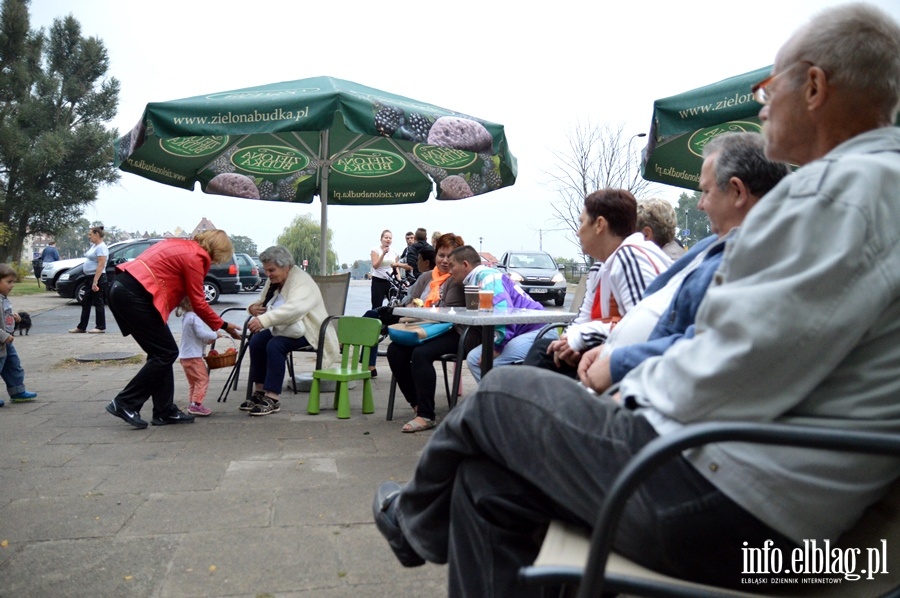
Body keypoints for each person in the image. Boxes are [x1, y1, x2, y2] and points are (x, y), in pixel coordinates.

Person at [372, 4, 900, 594]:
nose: (761, 102)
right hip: (769, 502)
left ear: (815, 86)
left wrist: (622, 389)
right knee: (484, 486)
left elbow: (739, 366)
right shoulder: (866, 191)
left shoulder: (843, 196)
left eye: (768, 85)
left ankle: (411, 525)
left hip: (741, 514)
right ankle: (417, 523)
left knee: (501, 394)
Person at [584, 132, 790, 389]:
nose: (700, 205)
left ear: (737, 191)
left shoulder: (756, 259)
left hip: (639, 395)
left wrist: (619, 364)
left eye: (705, 191)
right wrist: (610, 347)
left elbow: (709, 347)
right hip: (625, 377)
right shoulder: (710, 245)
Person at [523, 189, 671, 377]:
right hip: (608, 352)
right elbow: (583, 319)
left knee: (542, 354)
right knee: (548, 351)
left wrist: (579, 338)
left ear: (600, 224)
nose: (578, 232)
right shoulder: (602, 267)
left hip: (638, 369)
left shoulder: (630, 256)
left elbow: (644, 327)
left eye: (582, 222)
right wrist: (568, 341)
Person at [105, 230, 241, 429]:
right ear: (218, 250)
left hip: (122, 288)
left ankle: (164, 411)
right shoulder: (197, 257)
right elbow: (199, 303)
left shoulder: (180, 244)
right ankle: (126, 402)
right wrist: (225, 326)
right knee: (165, 353)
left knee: (161, 353)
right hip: (135, 296)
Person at [240, 245, 339, 416]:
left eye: (272, 270)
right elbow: (262, 301)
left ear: (286, 267)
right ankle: (260, 390)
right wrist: (253, 308)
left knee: (275, 345)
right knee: (257, 342)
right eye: (266, 270)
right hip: (286, 328)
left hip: (311, 331)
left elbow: (295, 309)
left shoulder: (302, 281)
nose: (268, 274)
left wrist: (264, 320)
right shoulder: (276, 280)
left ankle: (273, 397)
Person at [386, 233, 465, 433]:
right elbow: (407, 300)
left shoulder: (459, 279)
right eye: (441, 255)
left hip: (454, 331)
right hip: (423, 328)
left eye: (450, 256)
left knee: (420, 354)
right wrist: (411, 304)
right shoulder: (426, 277)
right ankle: (417, 405)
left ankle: (426, 416)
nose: (445, 261)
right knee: (395, 351)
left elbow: (453, 312)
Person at [446, 245, 546, 381]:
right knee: (474, 358)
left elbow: (504, 313)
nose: (450, 271)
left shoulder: (488, 278)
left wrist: (496, 346)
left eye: (452, 266)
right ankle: (493, 399)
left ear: (465, 265)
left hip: (538, 330)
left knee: (491, 365)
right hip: (521, 331)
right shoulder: (479, 278)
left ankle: (503, 400)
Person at [363, 247, 437, 378]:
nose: (416, 263)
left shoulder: (427, 276)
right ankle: (369, 364)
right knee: (372, 319)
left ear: (426, 262)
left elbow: (411, 297)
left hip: (412, 317)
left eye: (419, 260)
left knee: (372, 318)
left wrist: (403, 304)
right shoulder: (432, 277)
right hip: (415, 314)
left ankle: (361, 355)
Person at [176, 297, 222, 417]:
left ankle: (193, 402)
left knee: (193, 382)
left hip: (185, 356)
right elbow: (201, 333)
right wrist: (215, 334)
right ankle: (196, 404)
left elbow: (193, 337)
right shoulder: (194, 317)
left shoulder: (187, 317)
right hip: (193, 356)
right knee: (202, 379)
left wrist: (206, 341)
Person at [0, 264, 37, 407]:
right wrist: (4, 336)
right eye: (8, 282)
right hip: (3, 340)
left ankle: (17, 390)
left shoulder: (3, 298)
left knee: (13, 365)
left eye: (13, 282)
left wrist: (13, 316)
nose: (12, 285)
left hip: (6, 343)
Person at [69, 226, 109, 334]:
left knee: (98, 301)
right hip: (89, 277)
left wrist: (95, 281)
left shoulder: (101, 247)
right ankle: (82, 326)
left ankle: (100, 326)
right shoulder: (94, 246)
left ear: (97, 234)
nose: (89, 236)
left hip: (97, 277)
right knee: (85, 302)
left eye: (90, 234)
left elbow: (101, 264)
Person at [370, 230, 400, 309]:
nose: (388, 239)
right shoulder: (375, 250)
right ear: (381, 239)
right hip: (378, 280)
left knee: (394, 304)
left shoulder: (394, 252)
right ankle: (375, 319)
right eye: (386, 238)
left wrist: (399, 280)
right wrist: (383, 254)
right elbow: (375, 266)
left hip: (390, 280)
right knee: (377, 304)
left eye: (390, 238)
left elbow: (396, 267)